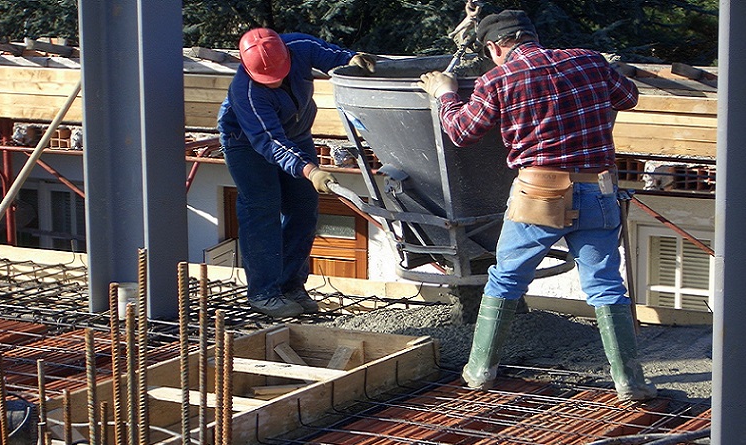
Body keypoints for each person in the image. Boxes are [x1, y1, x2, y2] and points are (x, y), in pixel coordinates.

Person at [418, 10, 657, 401]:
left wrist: (444, 93)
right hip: (598, 190)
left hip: (538, 195)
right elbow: (628, 97)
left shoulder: (497, 80)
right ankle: (629, 382)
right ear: (531, 36)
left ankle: (479, 372)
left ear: (495, 47)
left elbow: (462, 132)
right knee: (605, 284)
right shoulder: (588, 59)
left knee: (507, 279)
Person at [217, 28, 376, 318]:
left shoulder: (300, 46)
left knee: (303, 206)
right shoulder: (247, 92)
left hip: (296, 132)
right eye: (268, 80)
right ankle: (264, 293)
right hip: (247, 144)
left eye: (278, 75)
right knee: (262, 208)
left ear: (286, 56)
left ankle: (291, 286)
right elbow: (271, 143)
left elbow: (335, 58)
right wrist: (310, 170)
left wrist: (354, 61)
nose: (275, 82)